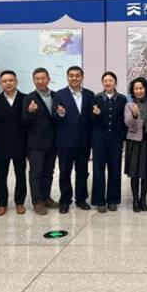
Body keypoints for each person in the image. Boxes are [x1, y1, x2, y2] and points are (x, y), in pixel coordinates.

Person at [0, 70, 28, 216]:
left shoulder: (26, 99)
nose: (8, 83)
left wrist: (32, 112)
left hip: (20, 143)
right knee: (1, 176)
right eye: (5, 81)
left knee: (21, 175)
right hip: (2, 144)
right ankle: (2, 204)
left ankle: (20, 203)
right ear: (1, 84)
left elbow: (28, 122)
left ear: (16, 82)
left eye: (11, 80)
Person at [52, 66, 94, 213]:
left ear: (82, 77)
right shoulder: (59, 95)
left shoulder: (89, 94)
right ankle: (65, 201)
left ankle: (81, 199)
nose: (74, 78)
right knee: (65, 173)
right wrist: (60, 114)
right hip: (65, 142)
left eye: (77, 75)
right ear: (67, 77)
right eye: (71, 75)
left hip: (83, 142)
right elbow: (54, 117)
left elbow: (91, 118)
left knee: (82, 172)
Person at [22, 67, 58, 215]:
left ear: (48, 79)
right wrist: (30, 112)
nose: (40, 81)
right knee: (36, 172)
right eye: (37, 79)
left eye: (43, 78)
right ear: (33, 80)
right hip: (36, 143)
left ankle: (46, 197)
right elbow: (24, 122)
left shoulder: (56, 96)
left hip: (53, 142)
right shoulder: (28, 98)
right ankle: (37, 202)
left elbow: (56, 118)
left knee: (49, 171)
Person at [91, 71, 127, 213]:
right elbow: (90, 121)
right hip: (99, 139)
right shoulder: (96, 98)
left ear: (115, 82)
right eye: (105, 81)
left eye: (110, 80)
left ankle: (113, 200)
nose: (108, 83)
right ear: (102, 83)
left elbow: (124, 121)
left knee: (115, 169)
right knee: (98, 170)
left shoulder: (122, 99)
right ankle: (99, 201)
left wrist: (122, 138)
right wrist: (96, 115)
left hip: (115, 139)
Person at [124, 77, 147, 212]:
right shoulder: (129, 105)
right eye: (136, 88)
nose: (138, 91)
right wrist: (135, 115)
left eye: (141, 88)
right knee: (134, 173)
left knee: (146, 172)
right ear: (133, 91)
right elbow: (128, 123)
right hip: (135, 141)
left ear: (145, 89)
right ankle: (135, 200)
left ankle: (143, 199)